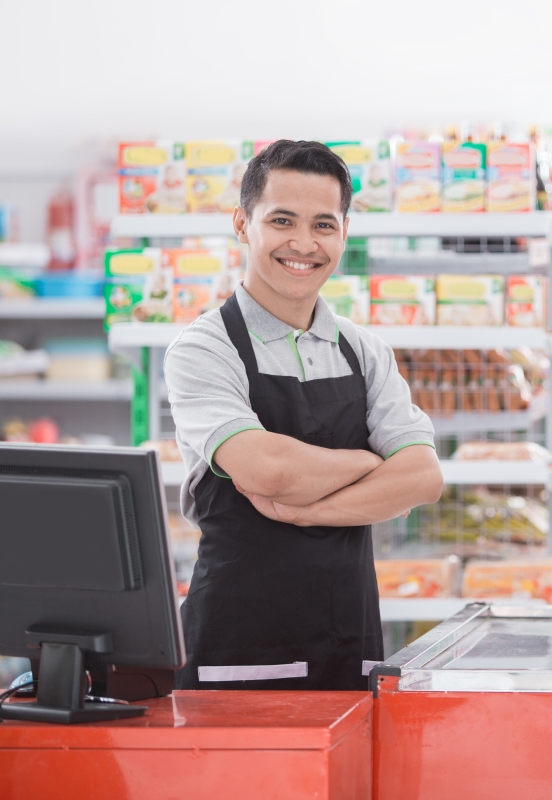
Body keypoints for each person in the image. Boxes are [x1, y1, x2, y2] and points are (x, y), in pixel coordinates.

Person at [164, 140, 442, 691]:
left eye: (324, 225)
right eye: (282, 220)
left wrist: (300, 512)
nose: (304, 244)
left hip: (350, 638)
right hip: (238, 642)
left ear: (343, 233)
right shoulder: (203, 348)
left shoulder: (363, 350)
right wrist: (369, 461)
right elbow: (268, 471)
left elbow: (423, 477)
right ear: (242, 224)